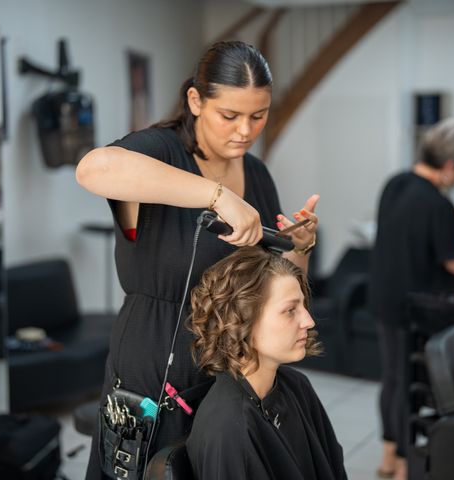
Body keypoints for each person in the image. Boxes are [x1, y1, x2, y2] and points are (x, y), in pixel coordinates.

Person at [75, 41, 319, 479]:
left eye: (258, 116)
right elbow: (93, 168)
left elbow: (280, 284)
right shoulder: (163, 150)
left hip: (230, 361)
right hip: (155, 354)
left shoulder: (257, 175)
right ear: (195, 100)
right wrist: (217, 195)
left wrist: (298, 247)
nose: (245, 131)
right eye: (229, 115)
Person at [368, 118, 454, 480]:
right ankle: (407, 466)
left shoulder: (396, 183)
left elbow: (412, 224)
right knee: (408, 381)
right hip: (413, 306)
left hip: (383, 297)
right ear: (451, 166)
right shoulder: (437, 203)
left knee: (390, 378)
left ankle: (388, 458)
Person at [186, 246, 347, 479]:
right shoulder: (230, 428)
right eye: (290, 310)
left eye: (303, 306)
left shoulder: (296, 386)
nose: (309, 321)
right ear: (243, 320)